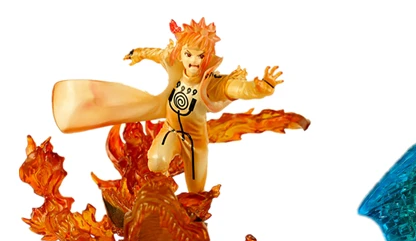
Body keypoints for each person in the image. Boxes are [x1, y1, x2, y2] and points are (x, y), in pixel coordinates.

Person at [52, 18, 284, 192]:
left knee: (196, 191)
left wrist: (261, 87)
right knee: (156, 160)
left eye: (200, 56)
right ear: (181, 54)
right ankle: (159, 196)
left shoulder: (212, 84)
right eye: (189, 54)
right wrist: (139, 53)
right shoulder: (175, 67)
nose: (194, 61)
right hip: (171, 130)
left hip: (195, 140)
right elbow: (159, 54)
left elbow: (237, 89)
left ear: (207, 58)